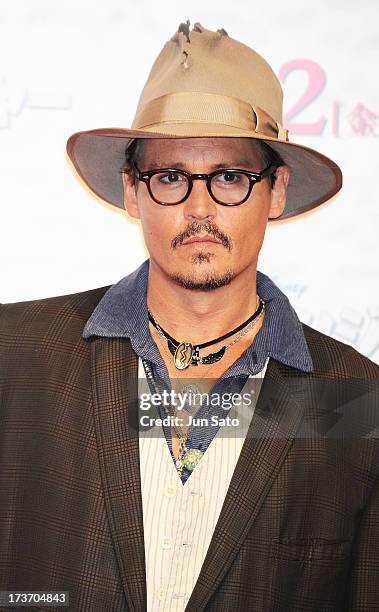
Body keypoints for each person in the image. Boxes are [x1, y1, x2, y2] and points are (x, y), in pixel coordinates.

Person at [1, 20, 378, 612]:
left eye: (229, 177)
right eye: (171, 177)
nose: (199, 208)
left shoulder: (354, 397)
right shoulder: (16, 358)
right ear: (132, 192)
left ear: (276, 191)